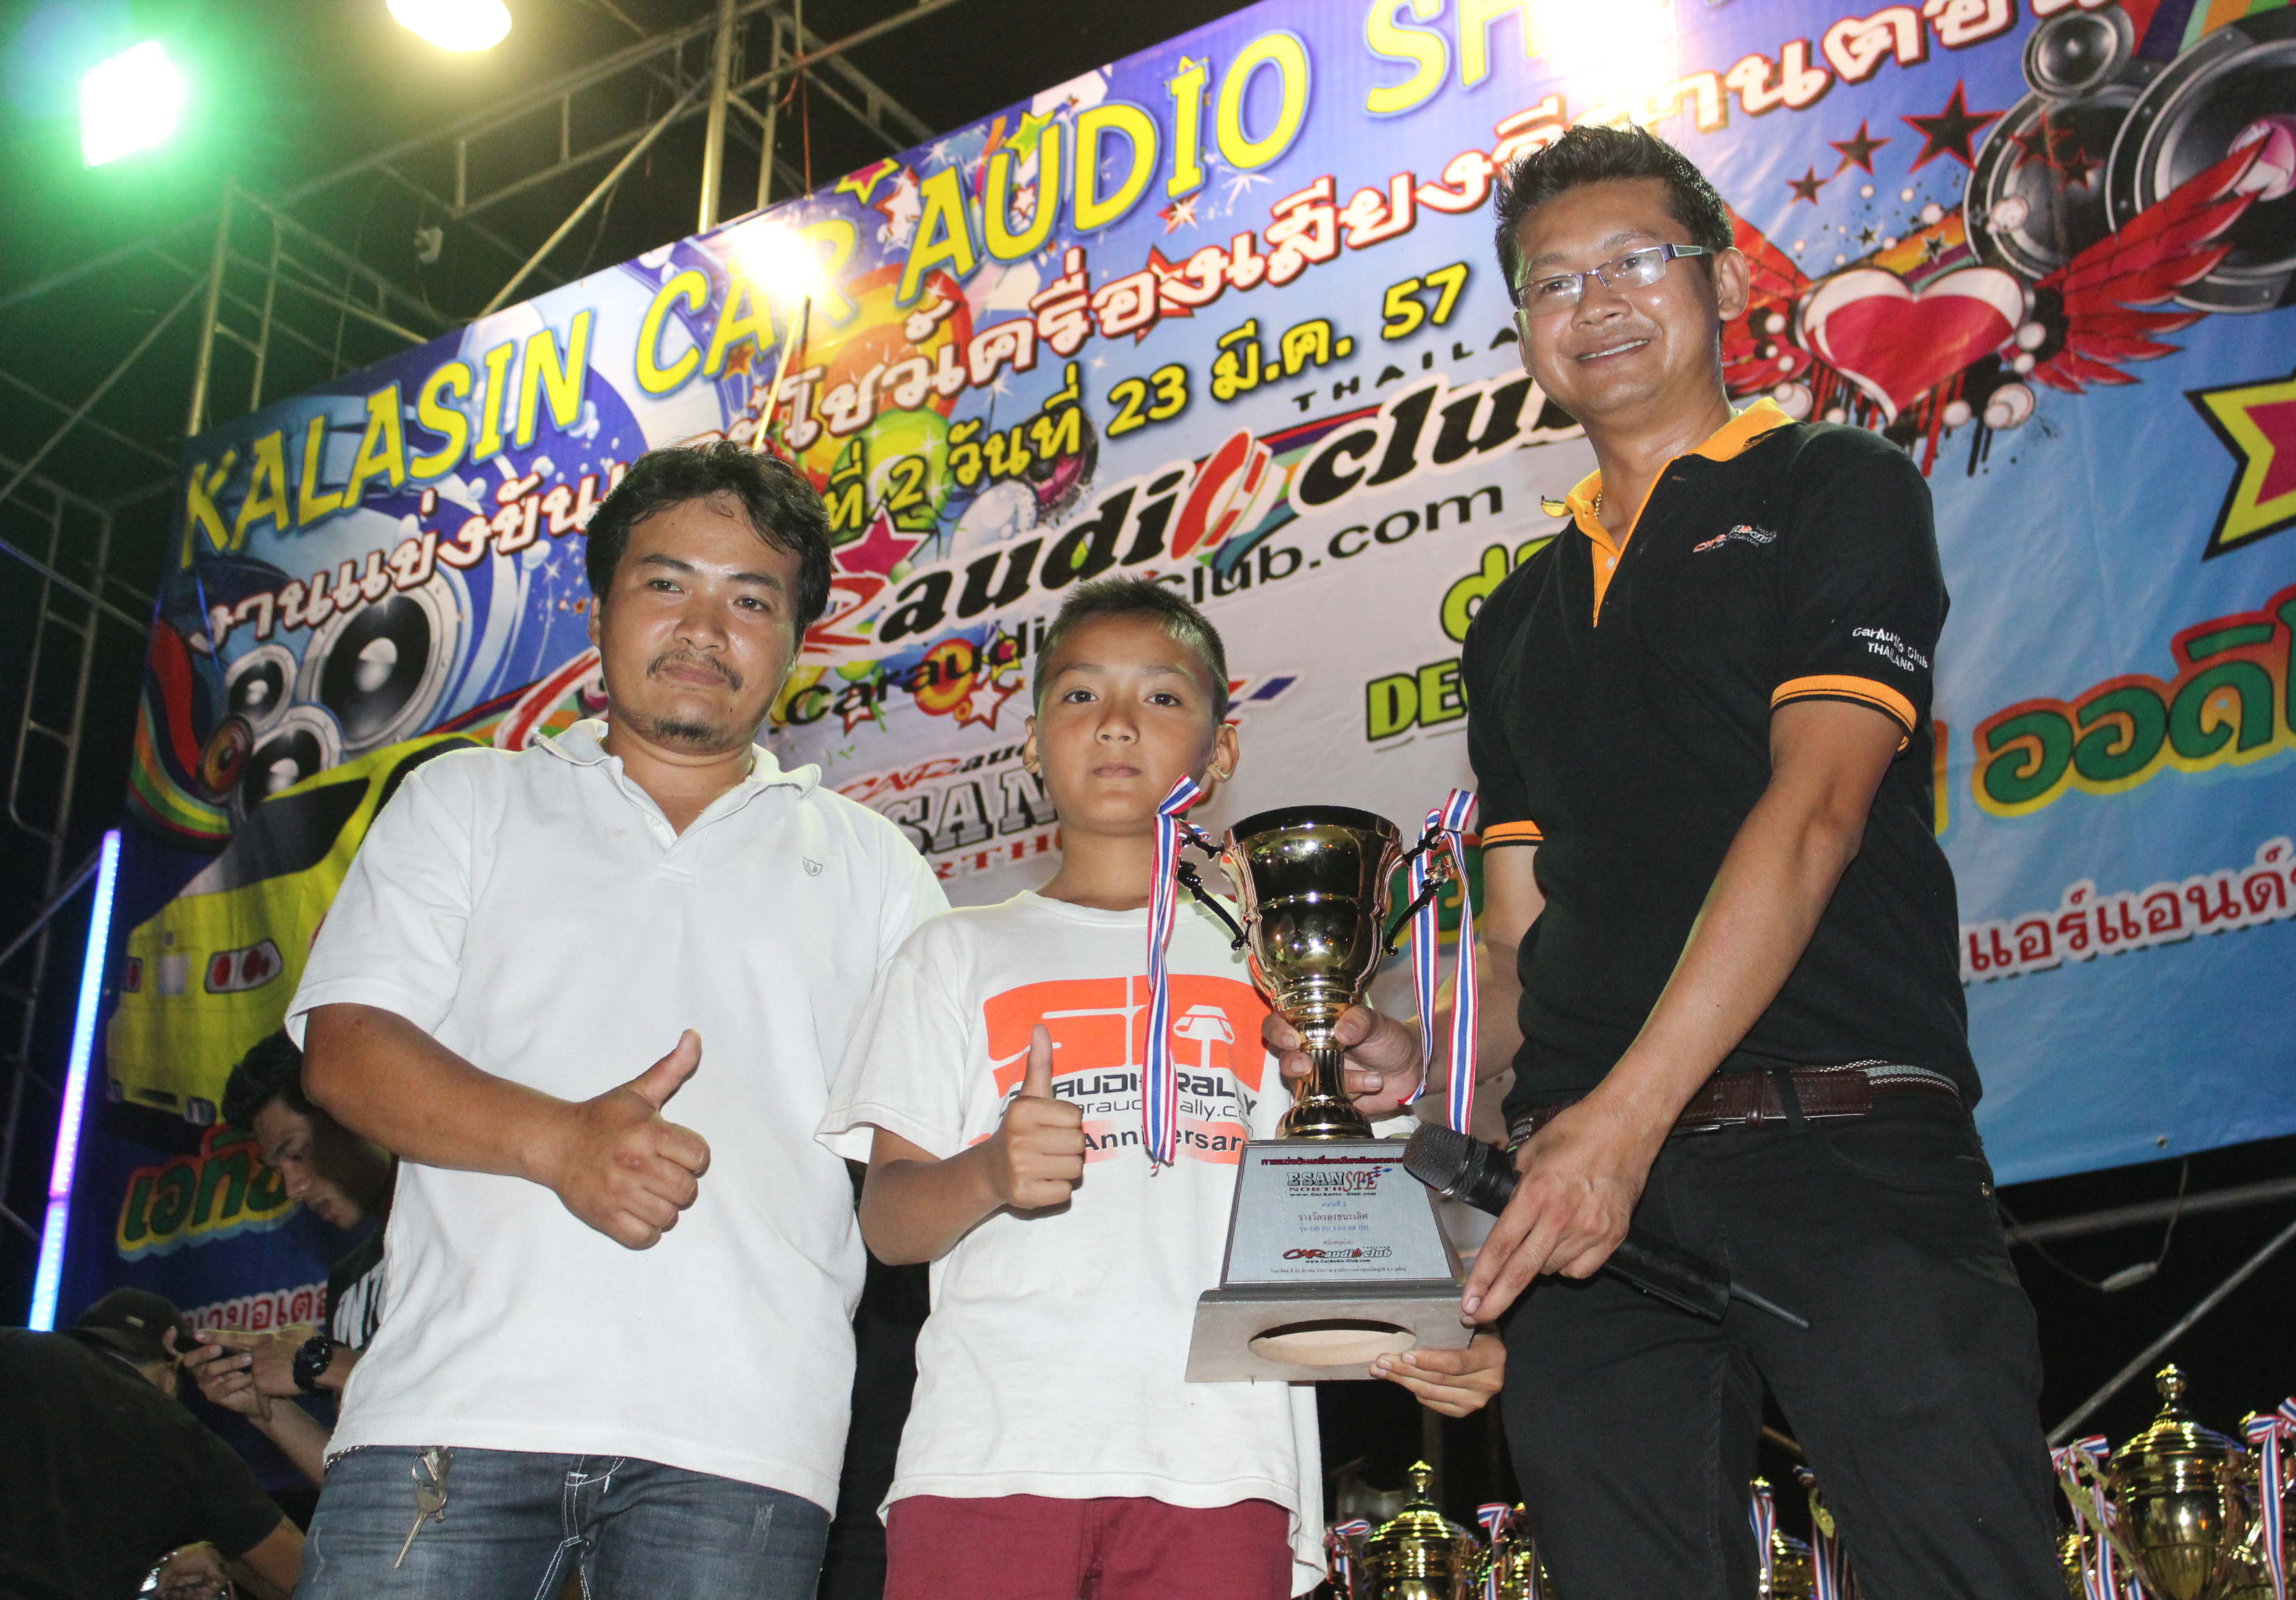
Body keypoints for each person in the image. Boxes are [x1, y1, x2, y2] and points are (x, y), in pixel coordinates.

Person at [1365, 124, 2055, 1599]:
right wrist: (1439, 1103)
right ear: (1524, 329)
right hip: (1583, 1198)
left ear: (1727, 281)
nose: (1595, 301)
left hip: (1838, 1137)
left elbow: (1815, 812)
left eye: (1635, 260)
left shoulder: (1833, 481)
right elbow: (1518, 936)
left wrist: (1621, 1124)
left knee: (1964, 1568)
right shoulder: (1514, 619)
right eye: (1554, 281)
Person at [285, 442, 947, 1599]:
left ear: (797, 643)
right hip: (448, 1417)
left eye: (751, 600)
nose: (704, 628)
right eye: (666, 583)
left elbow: (942, 1138)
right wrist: (563, 1141)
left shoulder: (877, 866)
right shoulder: (468, 798)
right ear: (597, 612)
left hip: (744, 1447)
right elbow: (346, 1048)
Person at [820, 578, 1506, 1600]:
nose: (1117, 724)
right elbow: (889, 1223)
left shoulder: (1274, 968)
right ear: (1032, 744)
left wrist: (1447, 1334)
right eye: (1080, 695)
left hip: (1222, 1464)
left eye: (1162, 697)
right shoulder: (952, 953)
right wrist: (991, 1171)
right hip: (987, 1460)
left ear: (1221, 752)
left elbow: (1347, 1218)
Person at [182, 1030, 396, 1485]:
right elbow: (358, 1483)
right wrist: (267, 1410)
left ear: (355, 1113)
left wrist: (320, 1363)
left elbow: (490, 1397)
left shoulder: (469, 1234)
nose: (293, 1188)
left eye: (297, 1153)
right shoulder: (350, 1281)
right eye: (278, 1168)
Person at [0, 1288, 305, 1600]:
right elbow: (307, 1578)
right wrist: (226, 1559)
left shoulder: (16, 1349)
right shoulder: (179, 1435)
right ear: (172, 1374)